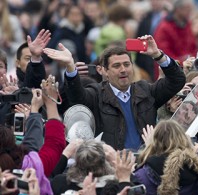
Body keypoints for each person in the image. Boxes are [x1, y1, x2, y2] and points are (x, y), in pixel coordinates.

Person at [44, 35, 186, 150]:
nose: (123, 70)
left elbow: (177, 80)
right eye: (116, 66)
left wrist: (157, 55)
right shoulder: (96, 94)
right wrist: (70, 67)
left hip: (146, 161)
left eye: (126, 64)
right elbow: (77, 97)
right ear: (104, 71)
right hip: (112, 166)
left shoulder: (146, 90)